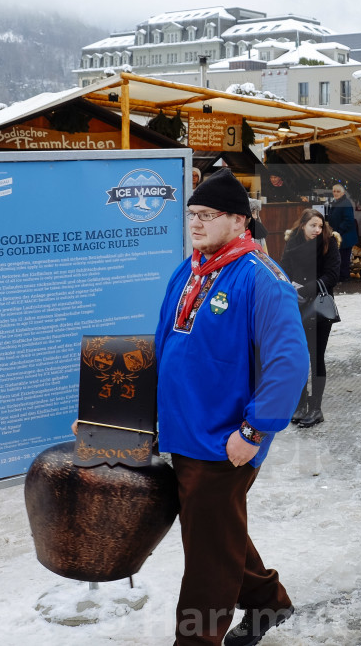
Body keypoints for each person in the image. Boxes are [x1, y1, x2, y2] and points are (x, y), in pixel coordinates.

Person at [154, 168, 308, 646]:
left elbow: (289, 365)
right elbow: (166, 342)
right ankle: (268, 602)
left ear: (239, 220)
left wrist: (254, 432)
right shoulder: (192, 268)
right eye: (192, 215)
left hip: (225, 440)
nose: (195, 224)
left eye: (207, 215)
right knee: (216, 534)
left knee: (206, 559)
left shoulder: (262, 278)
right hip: (185, 432)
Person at [280, 209, 340, 428]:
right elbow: (283, 269)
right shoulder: (292, 242)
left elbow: (333, 275)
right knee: (298, 356)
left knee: (316, 357)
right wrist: (289, 287)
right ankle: (301, 402)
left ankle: (316, 407)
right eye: (312, 225)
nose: (317, 230)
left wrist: (306, 289)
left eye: (320, 226)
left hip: (318, 308)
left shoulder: (328, 243)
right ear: (303, 225)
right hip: (295, 306)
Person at [327, 184, 357, 282]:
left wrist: (338, 232)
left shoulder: (345, 203)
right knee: (339, 257)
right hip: (340, 235)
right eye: (334, 191)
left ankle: (344, 278)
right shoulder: (337, 202)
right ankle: (340, 277)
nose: (335, 193)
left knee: (343, 258)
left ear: (343, 193)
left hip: (345, 236)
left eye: (338, 191)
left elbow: (348, 220)